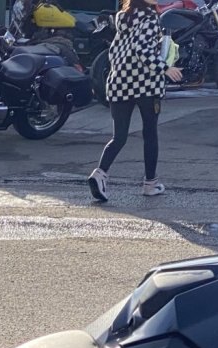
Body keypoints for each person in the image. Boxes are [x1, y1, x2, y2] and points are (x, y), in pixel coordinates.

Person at [87, 0, 184, 202]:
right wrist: (165, 68)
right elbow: (142, 49)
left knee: (119, 137)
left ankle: (99, 174)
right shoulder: (150, 18)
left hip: (118, 82)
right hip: (146, 84)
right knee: (150, 134)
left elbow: (115, 52)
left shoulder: (123, 18)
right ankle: (150, 183)